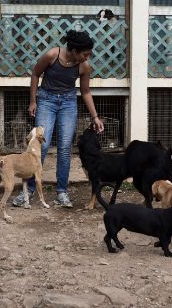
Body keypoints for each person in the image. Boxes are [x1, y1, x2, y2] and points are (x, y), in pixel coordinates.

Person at [12, 30, 105, 208]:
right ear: (75, 51)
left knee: (64, 148)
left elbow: (85, 92)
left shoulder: (84, 66)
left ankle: (62, 192)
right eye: (85, 53)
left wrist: (95, 117)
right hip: (46, 100)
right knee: (41, 145)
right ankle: (29, 190)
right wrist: (33, 101)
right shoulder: (52, 55)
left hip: (68, 103)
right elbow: (35, 74)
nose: (88, 57)